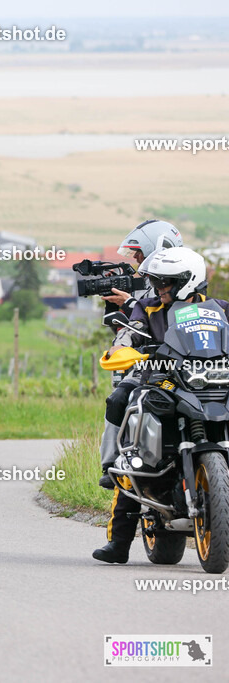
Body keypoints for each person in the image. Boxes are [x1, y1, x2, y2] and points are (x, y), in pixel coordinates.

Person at [93, 247, 229, 563]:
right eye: (157, 282)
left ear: (186, 280)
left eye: (165, 282)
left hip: (209, 379)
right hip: (158, 375)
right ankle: (119, 538)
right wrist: (123, 347)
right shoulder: (148, 306)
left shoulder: (219, 309)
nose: (159, 288)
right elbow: (131, 332)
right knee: (125, 414)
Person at [97, 220, 183, 489]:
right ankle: (112, 463)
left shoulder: (193, 294)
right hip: (151, 368)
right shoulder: (144, 286)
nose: (135, 259)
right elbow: (132, 325)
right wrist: (119, 342)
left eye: (138, 253)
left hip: (190, 368)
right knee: (120, 397)